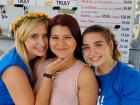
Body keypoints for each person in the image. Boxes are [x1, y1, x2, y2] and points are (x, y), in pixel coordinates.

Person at [34, 14, 99, 105]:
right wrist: (48, 74)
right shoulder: (39, 64)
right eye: (55, 37)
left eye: (67, 37)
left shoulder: (85, 75)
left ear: (77, 40)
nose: (61, 43)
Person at [81, 24, 140, 105]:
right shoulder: (83, 74)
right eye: (86, 47)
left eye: (98, 45)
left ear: (111, 45)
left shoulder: (132, 78)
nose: (92, 52)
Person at [0, 12, 50, 105]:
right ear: (22, 38)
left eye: (45, 35)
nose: (42, 43)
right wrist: (48, 75)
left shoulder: (24, 55)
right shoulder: (14, 71)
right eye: (34, 36)